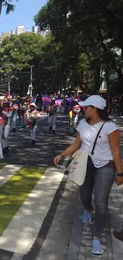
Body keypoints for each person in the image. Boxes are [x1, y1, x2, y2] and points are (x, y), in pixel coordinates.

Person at [54, 95, 123, 255]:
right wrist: (62, 154)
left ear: (95, 109)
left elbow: (115, 152)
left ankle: (96, 237)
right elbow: (77, 144)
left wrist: (120, 172)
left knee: (102, 203)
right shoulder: (83, 124)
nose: (83, 109)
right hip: (85, 164)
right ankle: (88, 209)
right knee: (84, 195)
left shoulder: (110, 127)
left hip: (105, 166)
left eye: (87, 107)